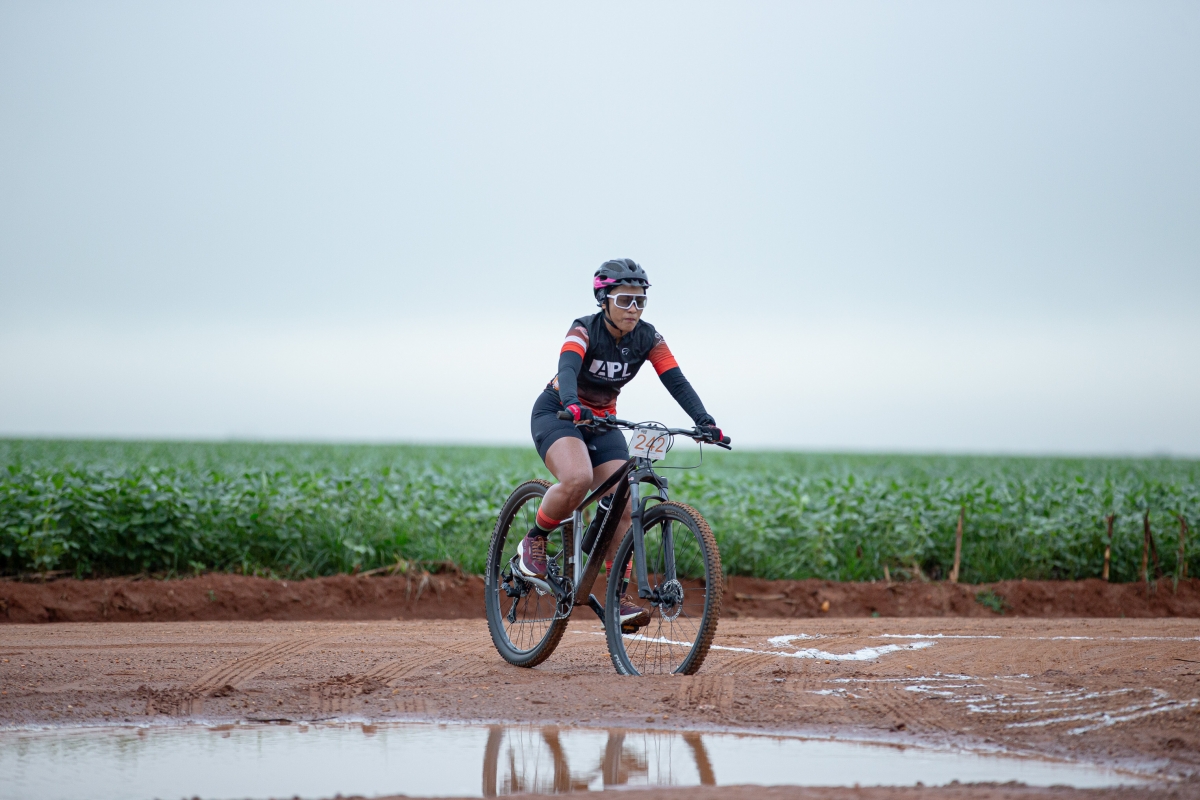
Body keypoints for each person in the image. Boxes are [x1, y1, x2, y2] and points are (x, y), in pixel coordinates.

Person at [522, 259, 724, 628]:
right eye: (625, 300)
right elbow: (567, 368)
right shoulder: (584, 329)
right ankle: (534, 540)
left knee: (624, 503)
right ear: (604, 299)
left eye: (640, 301)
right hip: (559, 412)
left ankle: (618, 598)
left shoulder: (648, 337)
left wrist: (704, 421)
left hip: (603, 421)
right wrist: (572, 402)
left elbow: (676, 380)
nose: (634, 309)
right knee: (578, 478)